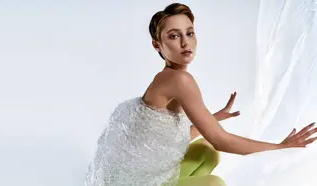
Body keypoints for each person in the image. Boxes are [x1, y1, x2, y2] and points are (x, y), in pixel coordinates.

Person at [84, 3, 317, 186]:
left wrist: (214, 117)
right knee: (215, 183)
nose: (186, 42)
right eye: (174, 36)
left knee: (207, 152)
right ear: (157, 45)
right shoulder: (179, 80)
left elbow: (162, 140)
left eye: (190, 33)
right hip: (137, 182)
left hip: (137, 171)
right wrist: (281, 147)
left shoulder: (167, 76)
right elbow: (221, 140)